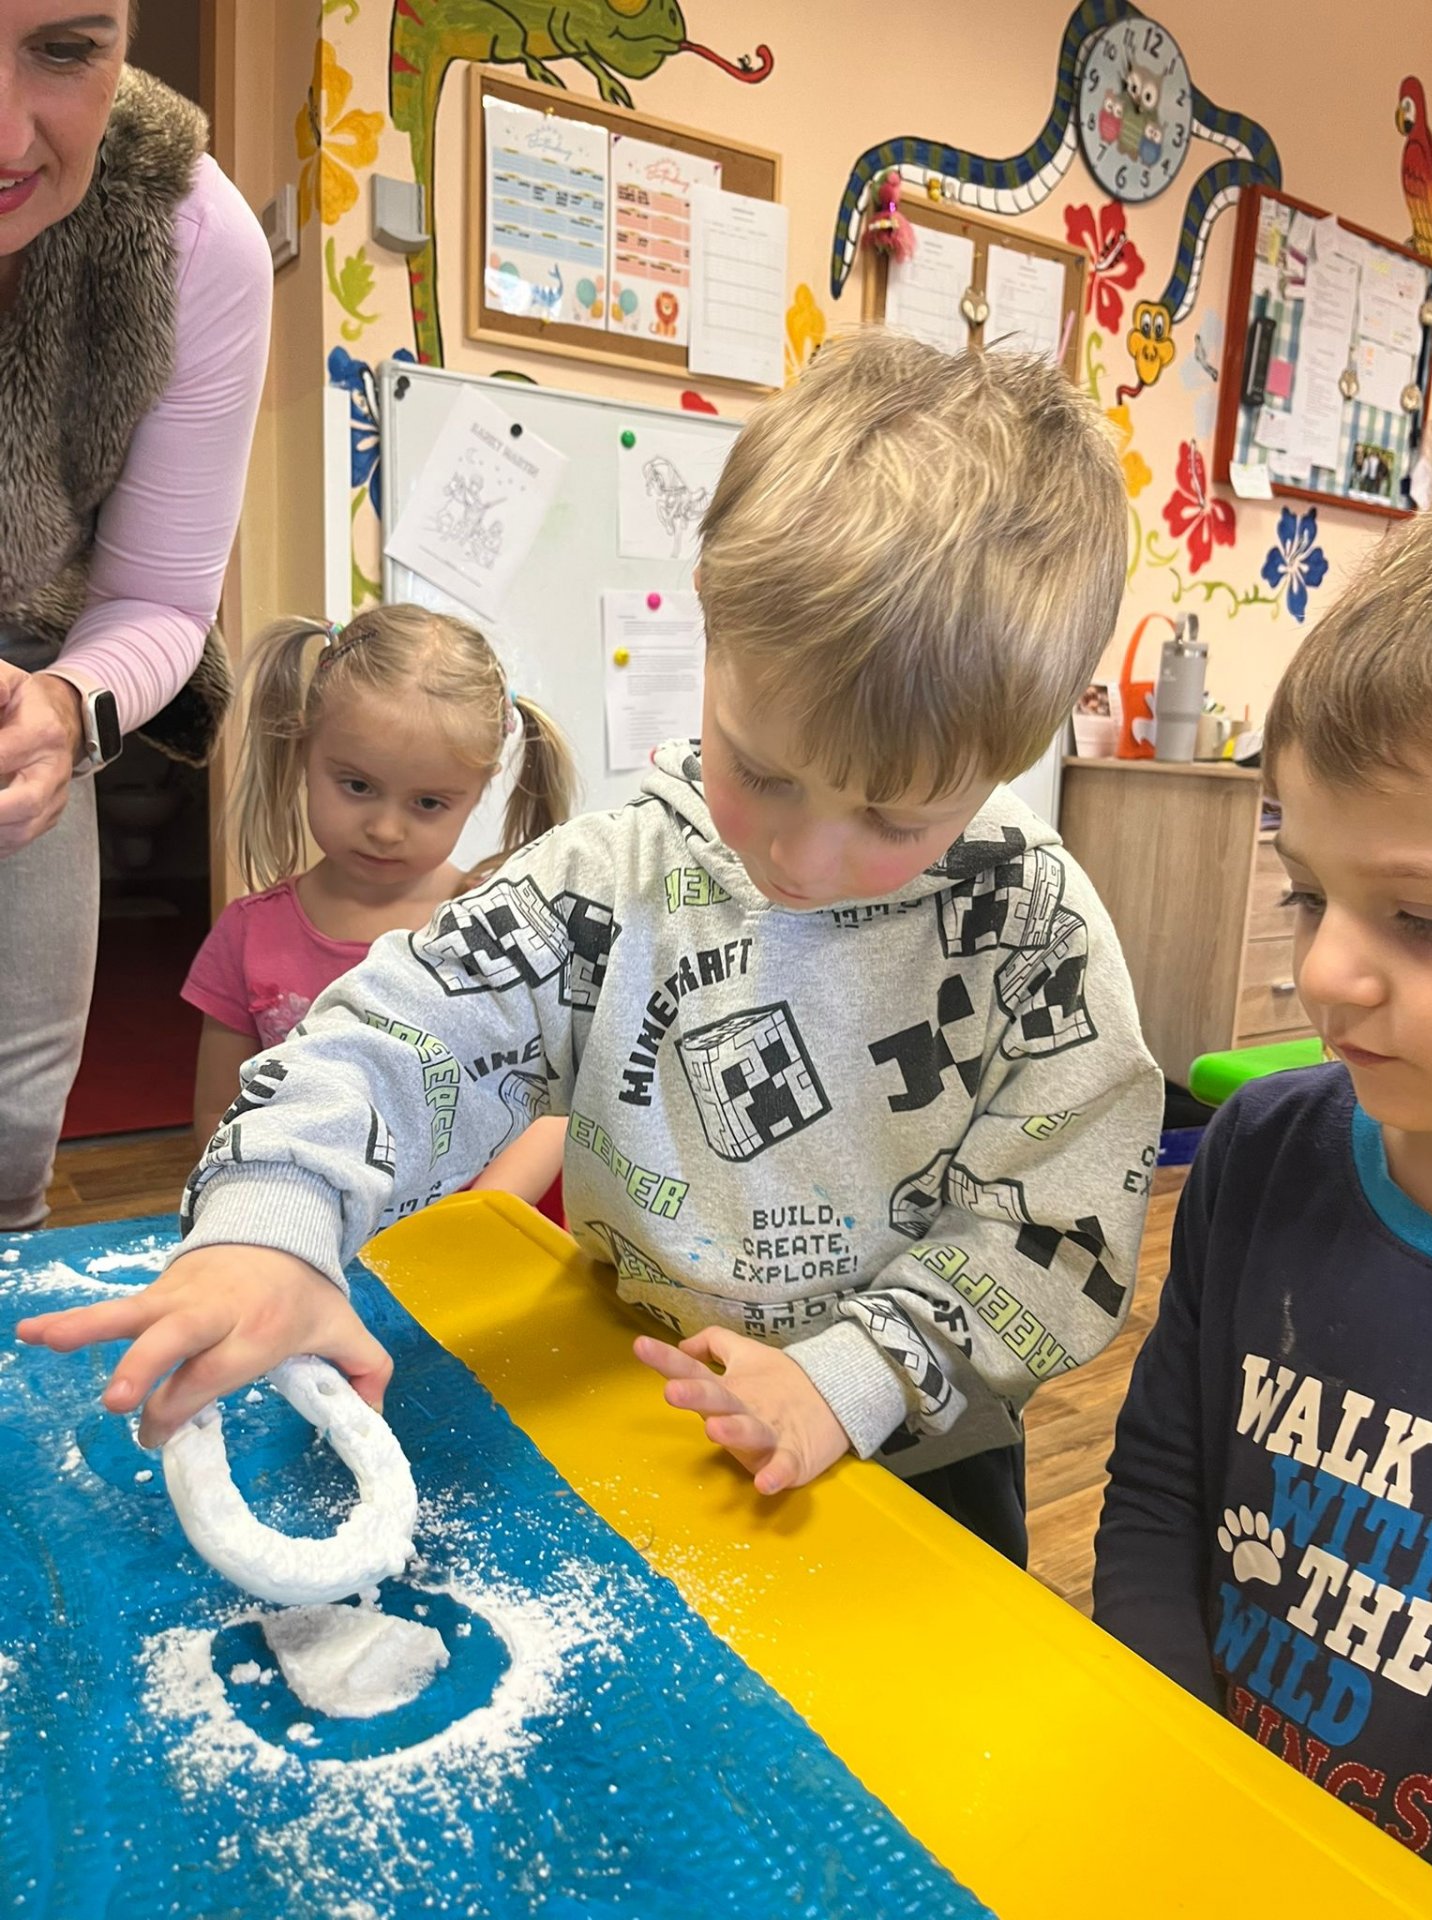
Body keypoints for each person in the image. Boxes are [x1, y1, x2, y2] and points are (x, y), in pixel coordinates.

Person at [20, 330, 1162, 1566]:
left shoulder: (1033, 930)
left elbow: (1055, 1236)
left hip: (920, 1467)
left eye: (892, 819)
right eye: (764, 772)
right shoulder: (609, 888)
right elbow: (401, 1031)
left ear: (1014, 751)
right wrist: (273, 1218)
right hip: (646, 1405)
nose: (801, 857)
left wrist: (849, 1376)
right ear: (713, 627)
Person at [1092, 505, 1432, 1869]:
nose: (1324, 972)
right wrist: (1174, 1769)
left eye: (1422, 919)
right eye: (1305, 892)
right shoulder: (1258, 1153)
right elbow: (1161, 1494)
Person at [0, 3, 272, 1227]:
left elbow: (159, 597)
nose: (7, 137)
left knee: (10, 1126)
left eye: (65, 51)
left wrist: (63, 708)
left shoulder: (191, 234)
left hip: (31, 656)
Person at [182, 607, 576, 1176]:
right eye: (358, 785)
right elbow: (218, 1118)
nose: (386, 830)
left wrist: (482, 1209)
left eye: (428, 803)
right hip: (298, 1203)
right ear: (303, 751)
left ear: (477, 791)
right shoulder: (247, 936)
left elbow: (551, 1107)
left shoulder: (500, 928)